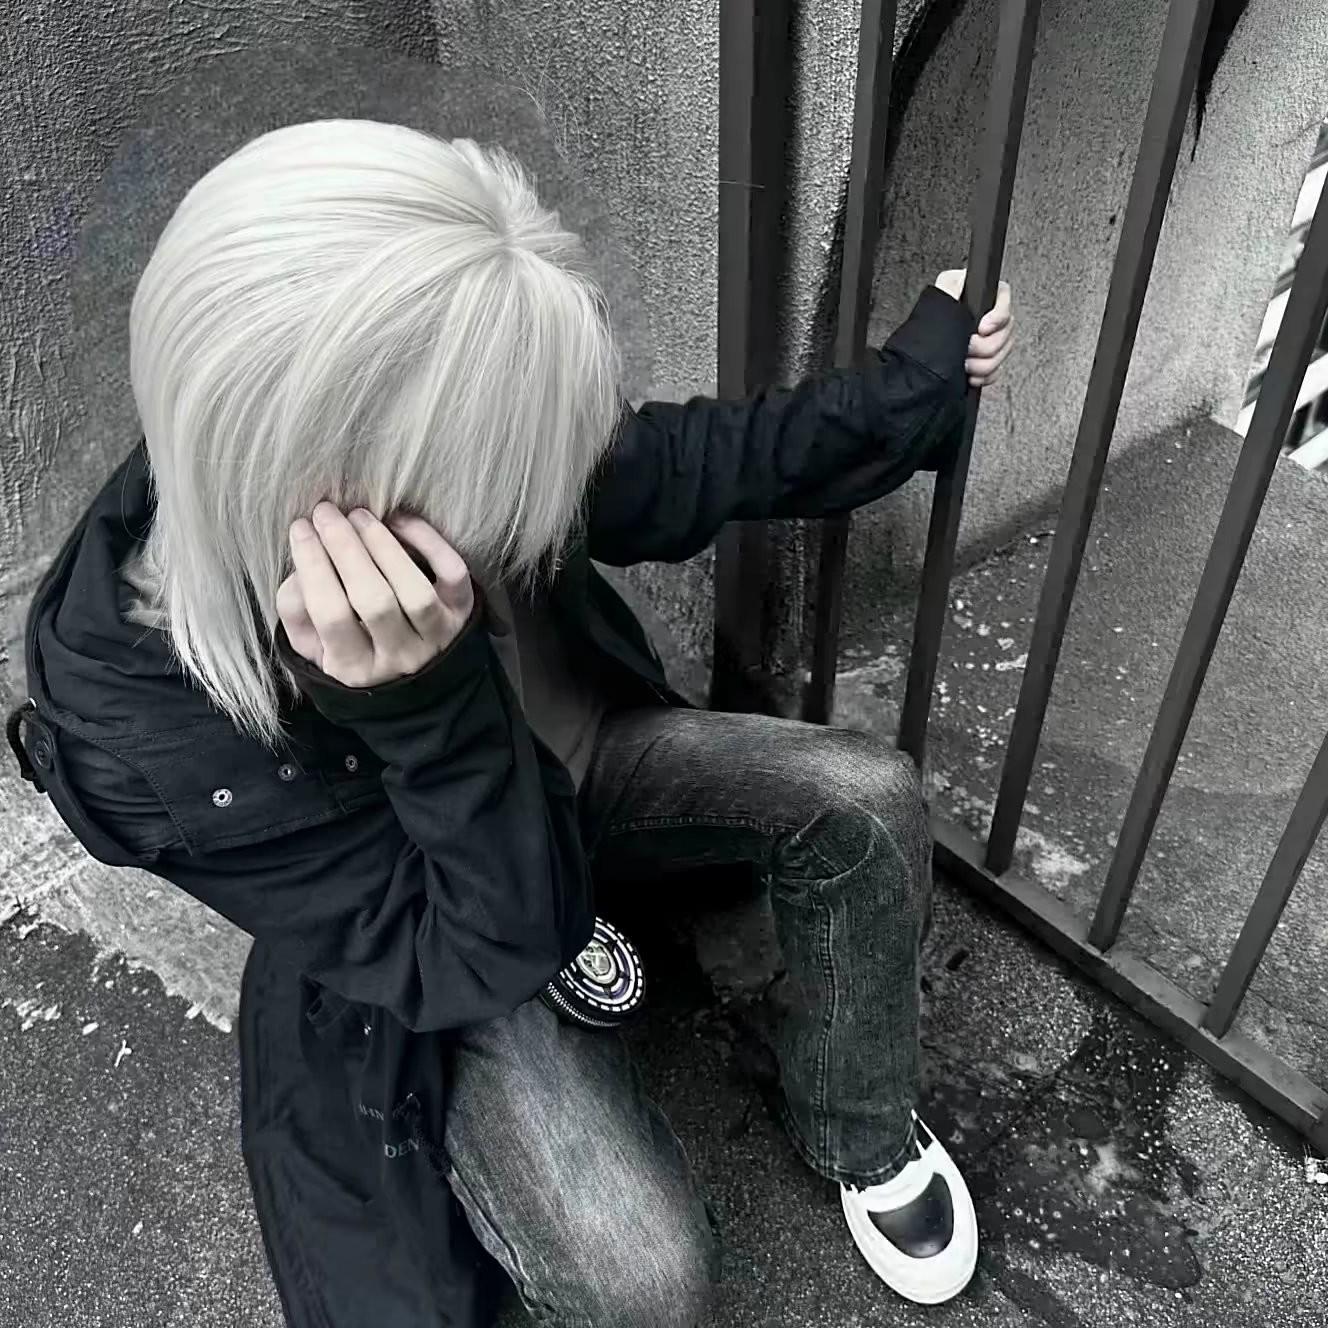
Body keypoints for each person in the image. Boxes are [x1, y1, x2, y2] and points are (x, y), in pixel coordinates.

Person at [7, 119, 1013, 1327]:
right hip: (445, 924)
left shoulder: (396, 409)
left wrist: (909, 388)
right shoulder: (144, 732)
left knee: (862, 799)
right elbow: (488, 944)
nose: (540, 498)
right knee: (642, 1279)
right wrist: (417, 704)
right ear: (355, 496)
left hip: (577, 779)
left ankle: (858, 1128)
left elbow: (679, 466)